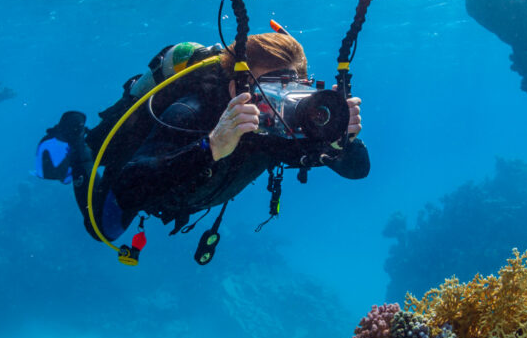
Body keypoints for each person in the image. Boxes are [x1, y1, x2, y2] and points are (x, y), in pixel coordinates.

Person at [53, 32, 369, 244]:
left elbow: (358, 170)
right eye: (272, 90)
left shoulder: (284, 123)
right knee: (104, 228)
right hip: (147, 176)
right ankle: (75, 138)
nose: (283, 103)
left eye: (293, 89)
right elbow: (130, 186)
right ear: (234, 87)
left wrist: (342, 138)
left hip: (193, 195)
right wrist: (211, 147)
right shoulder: (190, 112)